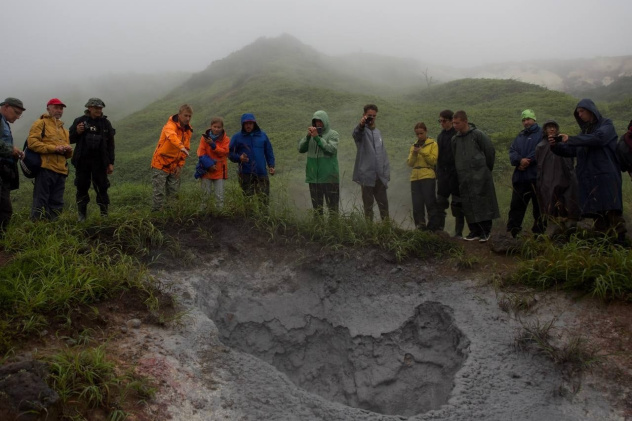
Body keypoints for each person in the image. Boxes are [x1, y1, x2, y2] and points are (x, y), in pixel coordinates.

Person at [551, 99, 626, 242]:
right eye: (577, 112)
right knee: (598, 214)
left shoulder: (606, 124)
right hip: (589, 178)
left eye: (582, 111)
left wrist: (571, 138)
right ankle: (603, 248)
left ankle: (620, 244)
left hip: (605, 175)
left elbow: (599, 138)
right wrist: (555, 146)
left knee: (612, 211)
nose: (579, 115)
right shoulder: (584, 133)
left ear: (591, 110)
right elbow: (573, 150)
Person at [451, 110, 499, 242]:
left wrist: (485, 169)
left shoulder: (478, 135)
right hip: (464, 177)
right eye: (453, 123)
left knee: (483, 201)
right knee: (468, 203)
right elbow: (455, 156)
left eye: (457, 123)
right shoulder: (455, 139)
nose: (454, 125)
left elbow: (490, 151)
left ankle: (485, 232)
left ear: (465, 121)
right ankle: (474, 231)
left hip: (480, 175)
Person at [69, 98, 115, 221]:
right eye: (96, 108)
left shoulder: (106, 123)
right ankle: (82, 216)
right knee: (81, 187)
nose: (99, 110)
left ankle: (104, 216)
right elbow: (69, 139)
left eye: (100, 108)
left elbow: (111, 144)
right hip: (82, 162)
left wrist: (111, 163)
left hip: (100, 163)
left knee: (102, 188)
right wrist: (77, 131)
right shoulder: (79, 121)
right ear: (89, 108)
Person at [27, 98, 73, 221]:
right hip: (45, 168)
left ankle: (53, 230)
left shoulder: (65, 130)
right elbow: (32, 143)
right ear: (48, 108)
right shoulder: (40, 123)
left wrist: (68, 151)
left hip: (61, 171)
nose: (59, 110)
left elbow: (67, 155)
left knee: (57, 202)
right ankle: (37, 230)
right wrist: (54, 148)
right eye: (56, 107)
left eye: (61, 108)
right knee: (40, 201)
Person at [535, 119, 580, 236]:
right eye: (549, 127)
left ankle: (570, 230)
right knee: (551, 204)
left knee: (569, 202)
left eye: (554, 127)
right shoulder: (540, 146)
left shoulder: (564, 143)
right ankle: (555, 231)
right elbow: (539, 165)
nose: (552, 129)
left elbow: (570, 162)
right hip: (548, 180)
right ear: (545, 130)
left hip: (566, 178)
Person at [506, 109, 545, 238]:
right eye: (523, 120)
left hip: (536, 177)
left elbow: (542, 149)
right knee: (516, 206)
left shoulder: (542, 134)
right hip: (520, 178)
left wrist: (527, 161)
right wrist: (519, 160)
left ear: (534, 119)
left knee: (539, 207)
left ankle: (539, 234)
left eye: (528, 119)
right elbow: (512, 151)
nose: (526, 122)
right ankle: (513, 232)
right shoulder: (520, 136)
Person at [150, 104, 193, 212]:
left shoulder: (188, 130)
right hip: (160, 163)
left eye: (189, 116)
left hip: (174, 165)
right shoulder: (169, 125)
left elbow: (186, 148)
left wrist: (180, 165)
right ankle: (156, 216)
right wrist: (181, 146)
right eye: (185, 115)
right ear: (179, 115)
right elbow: (171, 136)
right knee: (158, 193)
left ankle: (171, 216)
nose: (187, 118)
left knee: (173, 193)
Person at [352, 104, 390, 220]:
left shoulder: (378, 133)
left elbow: (383, 153)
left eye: (374, 116)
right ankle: (369, 232)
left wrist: (386, 173)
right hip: (366, 175)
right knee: (368, 207)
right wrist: (361, 125)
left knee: (384, 206)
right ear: (364, 115)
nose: (372, 118)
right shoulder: (361, 131)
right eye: (369, 115)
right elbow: (356, 134)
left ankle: (386, 229)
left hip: (379, 176)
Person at [298, 110, 340, 216]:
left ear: (325, 121)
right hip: (314, 179)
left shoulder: (333, 134)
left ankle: (334, 230)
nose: (318, 124)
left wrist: (317, 138)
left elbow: (331, 149)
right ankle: (318, 230)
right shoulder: (311, 137)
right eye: (316, 122)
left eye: (320, 122)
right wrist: (308, 137)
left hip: (330, 178)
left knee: (333, 209)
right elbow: (301, 149)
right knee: (317, 210)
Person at [228, 113, 275, 205]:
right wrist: (239, 158)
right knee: (248, 201)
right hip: (245, 174)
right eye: (246, 123)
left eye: (250, 123)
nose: (248, 125)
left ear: (254, 124)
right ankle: (249, 219)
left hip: (261, 173)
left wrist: (271, 165)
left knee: (264, 199)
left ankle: (263, 219)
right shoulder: (237, 137)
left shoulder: (262, 135)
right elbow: (229, 153)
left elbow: (269, 151)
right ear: (242, 124)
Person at [435, 109, 464, 237]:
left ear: (451, 121)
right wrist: (438, 172)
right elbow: (438, 156)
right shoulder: (440, 136)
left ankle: (458, 233)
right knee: (440, 202)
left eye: (444, 121)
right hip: (443, 175)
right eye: (440, 121)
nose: (442, 123)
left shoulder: (457, 135)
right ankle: (440, 230)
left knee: (457, 204)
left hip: (456, 175)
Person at [406, 122, 440, 230]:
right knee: (417, 204)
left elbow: (433, 161)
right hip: (415, 177)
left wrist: (422, 152)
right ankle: (420, 226)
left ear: (426, 131)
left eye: (421, 133)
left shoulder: (433, 144)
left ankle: (433, 227)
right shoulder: (413, 146)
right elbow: (410, 163)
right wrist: (415, 153)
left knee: (430, 202)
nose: (419, 136)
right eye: (417, 134)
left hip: (427, 176)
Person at [0, 98, 26, 233]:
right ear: (6, 106)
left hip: (4, 170)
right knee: (4, 208)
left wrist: (13, 150)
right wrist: (11, 150)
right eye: (16, 113)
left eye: (19, 115)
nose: (17, 117)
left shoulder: (4, 122)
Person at [196, 117, 230, 208]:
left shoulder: (226, 139)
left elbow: (224, 152)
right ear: (211, 126)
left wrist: (213, 145)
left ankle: (220, 215)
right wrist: (209, 165)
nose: (216, 129)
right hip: (207, 170)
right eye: (214, 126)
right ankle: (203, 214)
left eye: (219, 127)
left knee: (219, 196)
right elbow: (200, 153)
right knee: (205, 196)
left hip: (219, 171)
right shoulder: (204, 138)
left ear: (222, 128)